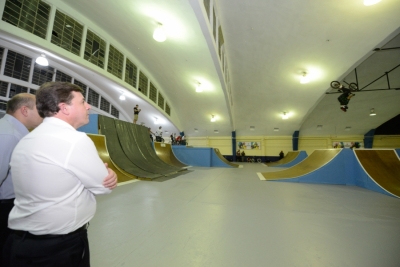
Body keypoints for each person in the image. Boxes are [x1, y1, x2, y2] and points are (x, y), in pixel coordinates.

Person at [3, 82, 118, 267]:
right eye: (82, 102)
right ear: (64, 108)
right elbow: (103, 186)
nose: (88, 106)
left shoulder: (27, 139)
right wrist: (108, 174)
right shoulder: (75, 140)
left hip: (20, 243)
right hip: (58, 249)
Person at [0, 93, 43, 264]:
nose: (43, 113)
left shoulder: (14, 132)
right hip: (4, 208)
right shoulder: (9, 135)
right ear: (25, 110)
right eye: (39, 109)